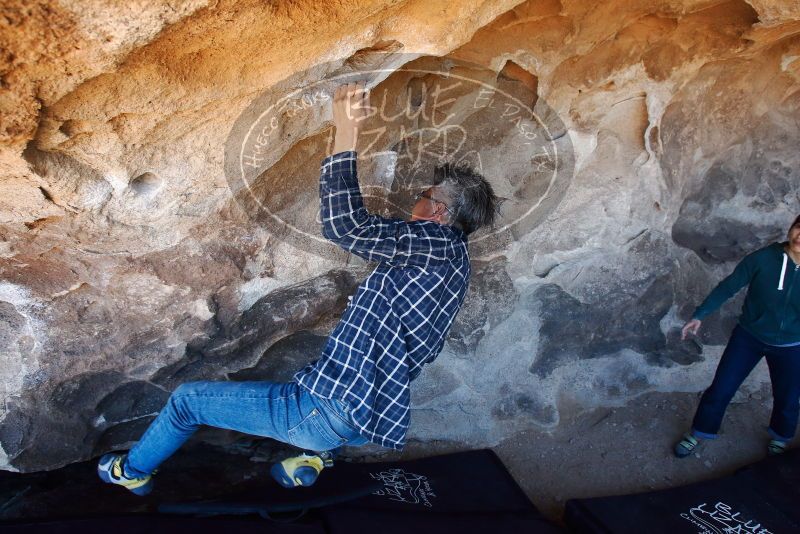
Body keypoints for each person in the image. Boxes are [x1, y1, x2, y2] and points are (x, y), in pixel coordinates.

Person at [97, 81, 499, 495]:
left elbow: (346, 226)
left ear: (437, 211)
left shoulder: (434, 241)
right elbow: (422, 348)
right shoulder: (456, 265)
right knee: (319, 368)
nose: (415, 200)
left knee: (187, 401)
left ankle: (131, 472)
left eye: (423, 195)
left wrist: (346, 130)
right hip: (360, 416)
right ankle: (312, 458)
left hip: (323, 413)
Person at [673, 214, 800, 459]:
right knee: (721, 387)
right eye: (798, 227)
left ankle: (781, 437)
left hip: (792, 344)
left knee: (788, 396)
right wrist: (700, 314)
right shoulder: (764, 258)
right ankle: (699, 431)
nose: (799, 236)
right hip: (749, 337)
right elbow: (729, 286)